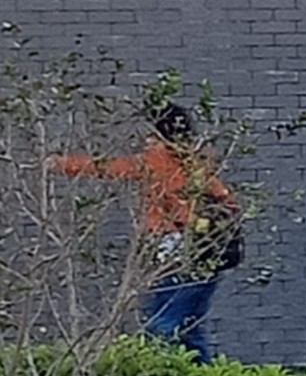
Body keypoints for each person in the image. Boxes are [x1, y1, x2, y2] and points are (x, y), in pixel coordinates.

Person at [50, 103, 237, 362]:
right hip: (208, 254)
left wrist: (61, 163)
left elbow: (110, 167)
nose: (145, 140)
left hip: (178, 252)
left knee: (162, 325)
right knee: (189, 327)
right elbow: (228, 203)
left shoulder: (158, 160)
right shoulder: (197, 162)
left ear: (160, 134)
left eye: (149, 134)